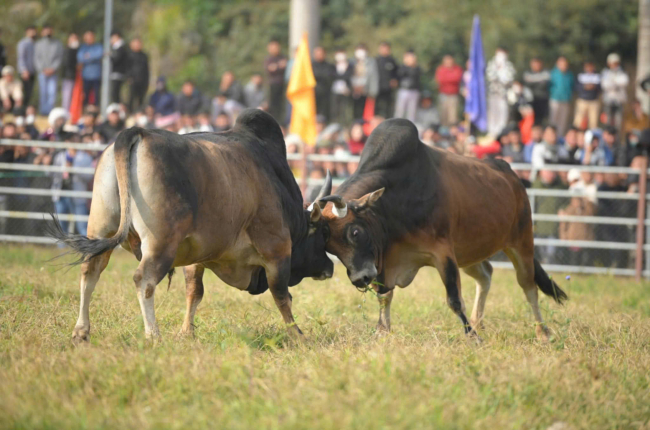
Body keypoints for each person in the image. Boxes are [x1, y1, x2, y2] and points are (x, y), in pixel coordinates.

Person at [51, 143, 94, 236]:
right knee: (61, 225)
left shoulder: (85, 157)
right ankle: (61, 247)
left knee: (82, 226)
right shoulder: (60, 156)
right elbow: (53, 174)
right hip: (61, 195)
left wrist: (74, 169)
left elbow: (89, 176)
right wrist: (64, 169)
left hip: (78, 195)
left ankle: (86, 247)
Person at [34, 24, 63, 116]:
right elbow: (36, 58)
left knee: (52, 93)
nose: (48, 32)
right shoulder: (38, 44)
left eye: (49, 30)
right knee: (43, 92)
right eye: (46, 30)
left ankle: (50, 111)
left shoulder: (57, 44)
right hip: (42, 73)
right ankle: (43, 111)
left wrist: (53, 68)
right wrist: (42, 69)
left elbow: (59, 58)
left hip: (53, 73)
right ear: (42, 32)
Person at [486, 47, 515, 137]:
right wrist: (497, 69)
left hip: (503, 94)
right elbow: (489, 76)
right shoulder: (491, 64)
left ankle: (501, 132)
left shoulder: (509, 66)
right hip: (493, 93)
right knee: (492, 113)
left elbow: (508, 79)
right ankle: (491, 132)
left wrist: (501, 70)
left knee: (503, 113)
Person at [601, 53, 629, 132]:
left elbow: (624, 82)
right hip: (608, 101)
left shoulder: (622, 72)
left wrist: (612, 82)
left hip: (619, 101)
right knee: (607, 122)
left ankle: (616, 141)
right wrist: (616, 83)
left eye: (615, 63)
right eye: (612, 63)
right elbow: (604, 85)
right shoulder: (605, 72)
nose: (614, 65)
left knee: (618, 123)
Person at [350, 43, 378, 121]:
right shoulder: (351, 61)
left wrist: (373, 91)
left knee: (365, 112)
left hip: (366, 90)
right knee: (354, 110)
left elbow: (373, 77)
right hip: (354, 90)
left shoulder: (371, 62)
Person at [435, 55, 463, 126]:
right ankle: (444, 131)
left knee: (453, 116)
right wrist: (451, 79)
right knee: (443, 114)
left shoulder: (457, 69)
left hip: (453, 95)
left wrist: (448, 78)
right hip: (443, 95)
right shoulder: (441, 69)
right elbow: (441, 80)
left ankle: (452, 131)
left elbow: (457, 78)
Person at [549, 56, 574, 137]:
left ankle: (560, 136)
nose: (563, 65)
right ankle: (551, 135)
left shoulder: (570, 75)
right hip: (555, 99)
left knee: (563, 121)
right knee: (553, 119)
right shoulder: (553, 74)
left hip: (566, 100)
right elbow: (549, 86)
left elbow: (572, 86)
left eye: (565, 63)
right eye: (561, 63)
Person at [77, 31, 103, 107]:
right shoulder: (83, 48)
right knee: (85, 95)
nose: (89, 39)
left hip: (96, 75)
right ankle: (85, 110)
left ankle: (96, 110)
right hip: (86, 76)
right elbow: (80, 58)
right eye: (87, 38)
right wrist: (92, 57)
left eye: (90, 37)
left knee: (96, 95)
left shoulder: (98, 46)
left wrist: (88, 57)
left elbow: (99, 55)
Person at [394, 50, 421, 123]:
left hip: (414, 91)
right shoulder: (402, 67)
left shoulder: (417, 68)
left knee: (412, 113)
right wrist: (406, 65)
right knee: (400, 111)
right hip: (403, 90)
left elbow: (417, 77)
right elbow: (399, 75)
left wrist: (413, 66)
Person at [522, 58, 551, 125]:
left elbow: (544, 85)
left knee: (542, 120)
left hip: (542, 100)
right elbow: (527, 85)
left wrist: (533, 82)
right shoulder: (527, 73)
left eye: (538, 64)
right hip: (530, 101)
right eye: (534, 64)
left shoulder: (545, 73)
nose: (536, 66)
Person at [574, 61, 601, 130]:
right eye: (587, 66)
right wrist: (584, 87)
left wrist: (593, 87)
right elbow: (577, 87)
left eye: (590, 66)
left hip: (593, 101)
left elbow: (600, 88)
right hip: (582, 100)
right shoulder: (580, 76)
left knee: (593, 123)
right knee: (578, 121)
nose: (589, 68)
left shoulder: (597, 76)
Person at [264, 39, 286, 122]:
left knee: (281, 105)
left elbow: (283, 65)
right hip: (273, 85)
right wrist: (279, 65)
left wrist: (276, 67)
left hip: (282, 84)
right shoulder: (269, 59)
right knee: (273, 104)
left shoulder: (282, 57)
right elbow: (270, 68)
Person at [375, 41, 398, 119]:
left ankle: (388, 121)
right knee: (377, 107)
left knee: (388, 107)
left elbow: (396, 73)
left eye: (386, 49)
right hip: (377, 88)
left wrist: (395, 80)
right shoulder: (376, 60)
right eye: (383, 48)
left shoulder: (392, 61)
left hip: (389, 89)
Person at [312, 46, 334, 122]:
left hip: (325, 94)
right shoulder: (310, 65)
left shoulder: (329, 66)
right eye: (317, 53)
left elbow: (329, 76)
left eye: (320, 53)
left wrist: (317, 76)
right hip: (313, 94)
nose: (319, 55)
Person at [331, 48, 352, 125]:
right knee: (335, 109)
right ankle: (335, 123)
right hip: (335, 90)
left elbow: (349, 76)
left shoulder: (350, 65)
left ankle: (345, 124)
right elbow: (332, 76)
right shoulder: (333, 65)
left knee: (345, 109)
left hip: (345, 91)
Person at [127, 37, 149, 113]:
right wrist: (129, 77)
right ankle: (130, 113)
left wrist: (146, 81)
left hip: (142, 81)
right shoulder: (129, 55)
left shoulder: (144, 56)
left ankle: (140, 113)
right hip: (133, 81)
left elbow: (146, 70)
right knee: (131, 98)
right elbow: (127, 68)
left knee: (141, 100)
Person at [17, 26, 37, 107]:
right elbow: (21, 58)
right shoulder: (23, 43)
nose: (33, 33)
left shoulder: (34, 43)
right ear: (27, 32)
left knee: (29, 93)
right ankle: (21, 109)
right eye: (31, 31)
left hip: (32, 71)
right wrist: (24, 70)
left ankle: (25, 109)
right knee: (24, 92)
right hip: (25, 72)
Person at [109, 31, 129, 104]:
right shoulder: (116, 48)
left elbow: (116, 59)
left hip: (118, 74)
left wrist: (110, 56)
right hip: (116, 74)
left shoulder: (120, 48)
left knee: (115, 93)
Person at [61, 33, 79, 112]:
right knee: (67, 94)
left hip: (76, 76)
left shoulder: (77, 50)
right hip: (68, 75)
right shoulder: (68, 50)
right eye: (73, 38)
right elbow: (67, 63)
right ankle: (65, 111)